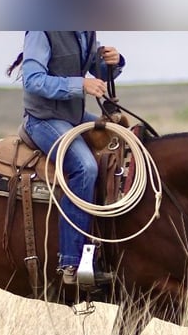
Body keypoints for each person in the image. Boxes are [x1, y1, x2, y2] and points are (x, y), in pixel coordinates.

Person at [7, 31, 125, 286]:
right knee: (85, 168)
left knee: (125, 138)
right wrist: (79, 85)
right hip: (43, 119)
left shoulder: (85, 31)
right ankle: (71, 262)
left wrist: (113, 62)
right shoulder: (42, 29)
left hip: (73, 116)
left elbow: (100, 71)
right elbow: (33, 80)